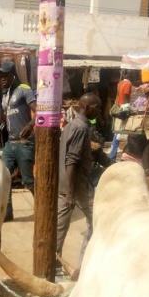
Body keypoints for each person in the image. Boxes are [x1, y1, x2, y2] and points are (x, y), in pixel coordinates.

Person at [56, 92, 99, 275]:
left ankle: (54, 264)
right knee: (96, 222)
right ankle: (85, 265)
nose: (99, 110)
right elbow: (71, 161)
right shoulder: (81, 128)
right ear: (87, 107)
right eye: (97, 106)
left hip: (65, 184)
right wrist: (72, 192)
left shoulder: (71, 126)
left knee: (60, 226)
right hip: (77, 185)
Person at [0, 61, 35, 221]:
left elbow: (38, 111)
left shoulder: (24, 90)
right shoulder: (5, 94)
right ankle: (7, 213)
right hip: (10, 144)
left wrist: (30, 125)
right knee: (4, 178)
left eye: (6, 75)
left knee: (28, 181)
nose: (2, 78)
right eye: (1, 75)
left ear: (13, 74)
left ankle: (44, 208)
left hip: (24, 143)